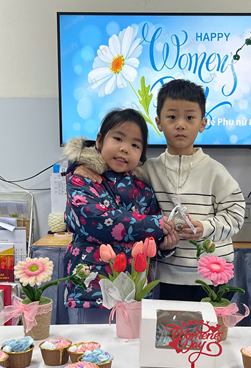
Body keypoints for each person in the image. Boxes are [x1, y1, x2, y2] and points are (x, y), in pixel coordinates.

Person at [74, 79, 246, 301]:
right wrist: (80, 164)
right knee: (168, 324)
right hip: (167, 274)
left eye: (190, 118)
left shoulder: (216, 171)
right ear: (159, 122)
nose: (180, 125)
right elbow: (111, 168)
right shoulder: (146, 170)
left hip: (213, 274)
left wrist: (206, 227)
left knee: (211, 324)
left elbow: (236, 214)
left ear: (203, 123)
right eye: (172, 117)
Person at [63, 108, 179, 323]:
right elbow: (95, 221)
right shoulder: (82, 178)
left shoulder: (144, 190)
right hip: (91, 289)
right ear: (99, 141)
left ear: (141, 155)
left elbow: (152, 237)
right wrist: (155, 224)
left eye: (135, 145)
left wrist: (164, 246)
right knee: (90, 342)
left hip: (134, 290)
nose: (125, 148)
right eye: (118, 138)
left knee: (132, 342)